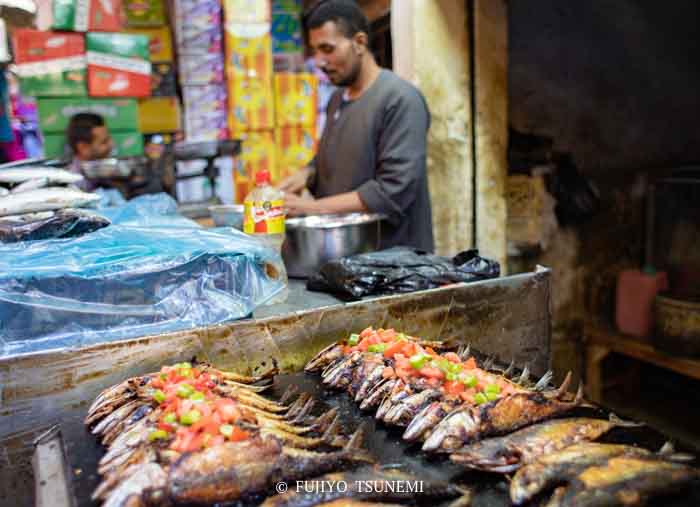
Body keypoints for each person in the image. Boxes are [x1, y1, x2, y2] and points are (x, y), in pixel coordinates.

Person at [279, 0, 434, 252]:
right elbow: (333, 158)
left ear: (359, 43)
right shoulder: (337, 99)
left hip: (392, 262)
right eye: (315, 51)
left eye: (327, 49)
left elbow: (391, 191)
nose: (319, 61)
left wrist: (310, 209)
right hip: (346, 252)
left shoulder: (400, 100)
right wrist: (306, 174)